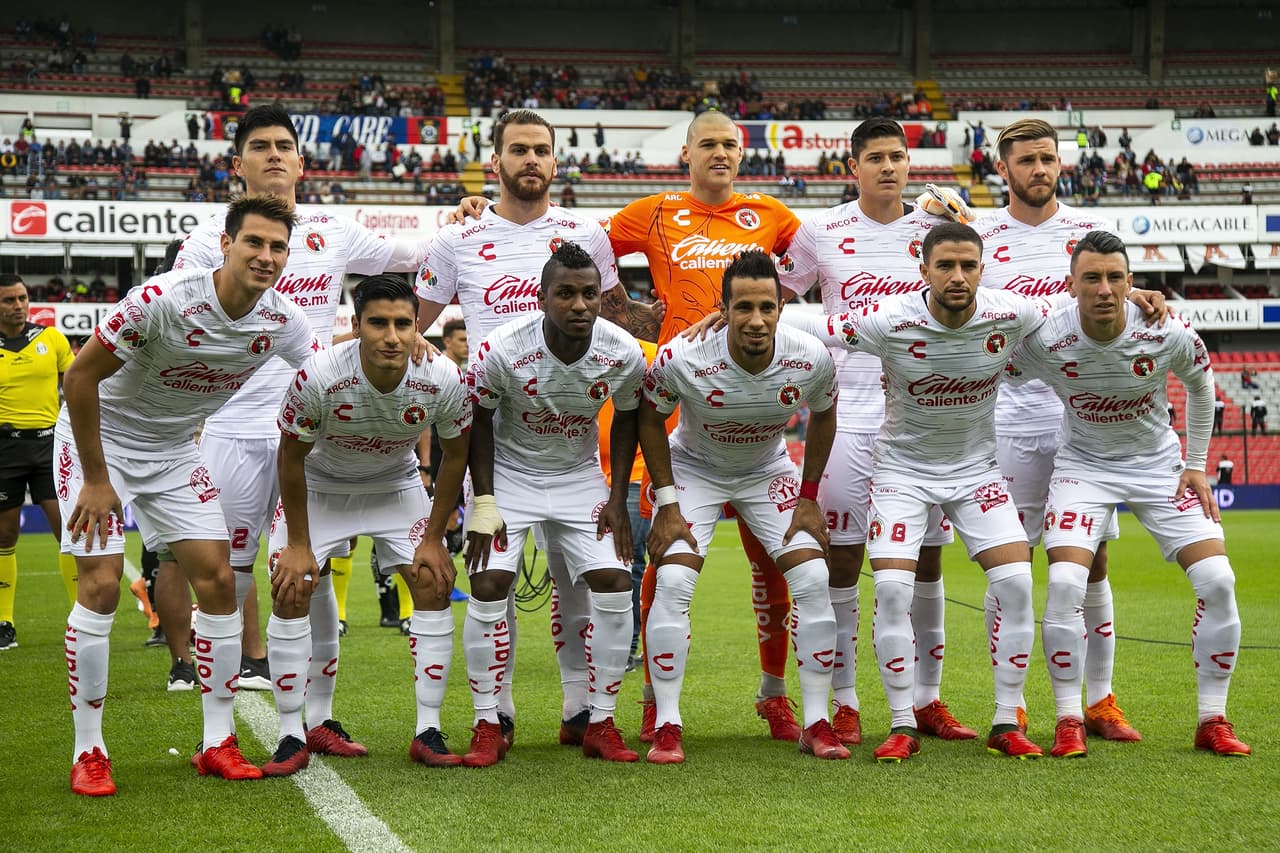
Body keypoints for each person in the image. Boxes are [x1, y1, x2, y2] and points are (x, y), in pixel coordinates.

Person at [452, 110, 810, 744]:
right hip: (671, 402)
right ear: (686, 152)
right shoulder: (652, 212)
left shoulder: (775, 217)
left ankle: (774, 694)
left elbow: (827, 263)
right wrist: (479, 214)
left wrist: (930, 209)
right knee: (647, 556)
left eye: (731, 143)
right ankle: (642, 702)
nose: (721, 153)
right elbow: (583, 265)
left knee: (773, 564)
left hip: (753, 407)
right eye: (709, 144)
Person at [59, 194, 316, 796]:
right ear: (225, 244)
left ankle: (217, 742)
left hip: (175, 449)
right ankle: (89, 750)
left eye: (277, 247)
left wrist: (415, 346)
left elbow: (330, 372)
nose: (266, 255)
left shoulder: (281, 320)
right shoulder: (162, 298)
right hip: (103, 440)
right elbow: (79, 375)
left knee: (221, 581)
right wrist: (97, 479)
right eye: (253, 242)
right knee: (99, 585)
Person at [173, 104, 432, 699]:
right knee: (226, 575)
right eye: (259, 146)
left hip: (312, 431)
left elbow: (416, 259)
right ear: (237, 164)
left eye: (283, 146)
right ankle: (221, 712)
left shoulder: (333, 230)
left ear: (300, 160)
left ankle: (313, 714)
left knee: (308, 572)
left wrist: (473, 218)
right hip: (232, 427)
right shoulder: (209, 241)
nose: (273, 154)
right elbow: (186, 320)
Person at [417, 109, 651, 751]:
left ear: (554, 162)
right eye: (517, 150)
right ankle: (497, 716)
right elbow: (410, 324)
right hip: (496, 444)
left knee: (588, 586)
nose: (530, 160)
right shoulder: (458, 237)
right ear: (495, 162)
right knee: (493, 579)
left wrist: (695, 321)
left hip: (575, 446)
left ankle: (585, 713)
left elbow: (623, 324)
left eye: (541, 151)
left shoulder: (587, 235)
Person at [794, 223, 1049, 761]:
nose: (958, 277)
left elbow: (1082, 312)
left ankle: (1007, 719)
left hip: (978, 472)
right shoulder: (890, 318)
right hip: (902, 472)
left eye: (969, 266)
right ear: (923, 269)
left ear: (983, 268)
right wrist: (745, 309)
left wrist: (1139, 299)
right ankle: (902, 722)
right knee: (891, 590)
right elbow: (817, 321)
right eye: (946, 267)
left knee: (1018, 585)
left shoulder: (1012, 312)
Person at [1008, 230, 1250, 758]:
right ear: (1070, 285)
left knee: (1219, 580)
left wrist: (1196, 466)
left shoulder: (1167, 329)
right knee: (1067, 582)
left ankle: (1213, 719)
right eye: (1091, 278)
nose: (1104, 289)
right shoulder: (1048, 337)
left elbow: (1202, 385)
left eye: (1115, 278)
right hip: (1082, 468)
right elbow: (992, 366)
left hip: (1160, 467)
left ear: (1131, 283)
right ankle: (1070, 719)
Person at [778, 118, 977, 746]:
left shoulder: (937, 230)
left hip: (921, 417)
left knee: (924, 564)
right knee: (842, 564)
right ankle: (844, 700)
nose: (889, 167)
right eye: (876, 158)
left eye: (898, 157)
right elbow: (775, 301)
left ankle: (928, 699)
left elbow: (976, 294)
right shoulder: (822, 231)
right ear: (853, 167)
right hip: (843, 415)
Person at [640, 250, 847, 765]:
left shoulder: (810, 355)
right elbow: (649, 419)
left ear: (782, 307)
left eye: (767, 307)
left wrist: (809, 498)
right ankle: (666, 722)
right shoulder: (683, 356)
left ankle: (817, 722)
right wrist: (666, 503)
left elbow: (824, 413)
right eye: (743, 308)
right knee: (673, 579)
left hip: (767, 470)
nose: (756, 321)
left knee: (814, 578)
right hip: (696, 468)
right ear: (723, 309)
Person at [261, 275, 471, 775]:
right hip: (319, 488)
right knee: (293, 587)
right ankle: (294, 733)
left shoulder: (442, 376)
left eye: (403, 324)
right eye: (377, 323)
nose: (392, 336)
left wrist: (435, 538)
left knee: (434, 581)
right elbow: (290, 458)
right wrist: (298, 542)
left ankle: (428, 730)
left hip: (394, 485)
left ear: (419, 326)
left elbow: (455, 455)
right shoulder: (319, 374)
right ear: (355, 326)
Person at [982, 118, 1138, 740]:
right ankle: (1010, 703)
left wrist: (1147, 296)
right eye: (1026, 161)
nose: (1039, 170)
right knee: (1010, 566)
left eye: (1048, 159)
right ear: (1005, 168)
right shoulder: (983, 236)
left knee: (1093, 562)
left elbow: (1120, 300)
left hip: (1085, 419)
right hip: (1009, 416)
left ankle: (1098, 701)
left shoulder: (1088, 234)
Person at [462, 242, 646, 766]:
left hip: (578, 476)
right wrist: (484, 502)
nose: (580, 305)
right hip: (509, 476)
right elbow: (477, 422)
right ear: (541, 299)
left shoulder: (622, 350)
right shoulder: (502, 348)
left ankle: (599, 720)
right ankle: (487, 721)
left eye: (589, 293)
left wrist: (615, 497)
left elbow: (629, 416)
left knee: (612, 580)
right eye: (565, 294)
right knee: (490, 581)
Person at [0, 274, 77, 649]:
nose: (18, 305)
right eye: (8, 300)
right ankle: (4, 621)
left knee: (67, 531)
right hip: (5, 450)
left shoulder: (52, 339)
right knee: (4, 535)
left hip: (50, 446)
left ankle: (82, 614)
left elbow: (77, 385)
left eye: (22, 298)